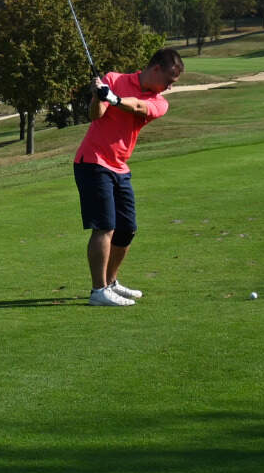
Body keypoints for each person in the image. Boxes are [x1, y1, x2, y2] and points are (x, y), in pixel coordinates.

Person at [72, 47, 184, 306]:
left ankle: (111, 282)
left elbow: (137, 106)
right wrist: (98, 95)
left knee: (127, 230)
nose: (169, 87)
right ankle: (98, 291)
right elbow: (96, 115)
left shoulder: (160, 102)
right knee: (105, 227)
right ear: (156, 68)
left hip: (120, 166)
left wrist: (113, 98)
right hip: (93, 161)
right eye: (169, 80)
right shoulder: (113, 79)